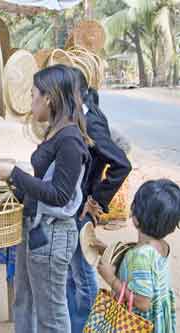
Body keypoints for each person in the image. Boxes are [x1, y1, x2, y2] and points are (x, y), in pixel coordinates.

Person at [0, 64, 91, 333]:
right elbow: (43, 186)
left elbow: (60, 195)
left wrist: (15, 173)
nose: (31, 100)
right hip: (37, 230)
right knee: (25, 302)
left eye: (33, 93)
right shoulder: (56, 132)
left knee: (52, 317)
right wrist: (13, 185)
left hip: (52, 235)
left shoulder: (70, 139)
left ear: (48, 97)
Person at [67, 67, 132, 332]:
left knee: (82, 272)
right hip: (76, 202)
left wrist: (96, 198)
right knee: (73, 272)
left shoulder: (90, 120)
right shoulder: (80, 113)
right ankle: (73, 324)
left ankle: (88, 326)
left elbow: (121, 163)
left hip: (82, 208)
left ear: (70, 92)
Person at [96, 179, 180, 333]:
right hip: (158, 318)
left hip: (139, 323)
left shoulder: (140, 256)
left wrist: (111, 279)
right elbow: (144, 271)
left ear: (135, 217)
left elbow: (143, 302)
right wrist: (108, 251)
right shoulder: (161, 245)